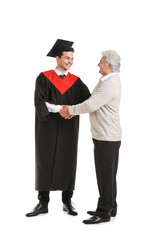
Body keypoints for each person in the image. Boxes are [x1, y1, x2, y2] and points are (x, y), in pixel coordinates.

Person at [26, 39, 90, 217]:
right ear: (57, 58)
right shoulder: (44, 77)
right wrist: (61, 108)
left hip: (69, 125)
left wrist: (73, 110)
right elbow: (39, 101)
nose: (70, 61)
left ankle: (67, 201)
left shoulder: (76, 81)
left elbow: (89, 100)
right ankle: (43, 202)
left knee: (68, 159)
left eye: (72, 58)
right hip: (47, 126)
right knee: (44, 159)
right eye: (67, 58)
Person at [60, 50, 122, 224]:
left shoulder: (110, 83)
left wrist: (69, 110)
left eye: (101, 62)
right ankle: (111, 207)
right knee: (108, 175)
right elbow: (92, 101)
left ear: (109, 65)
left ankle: (103, 213)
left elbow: (91, 104)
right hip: (106, 135)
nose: (98, 64)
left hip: (107, 137)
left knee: (105, 175)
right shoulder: (108, 81)